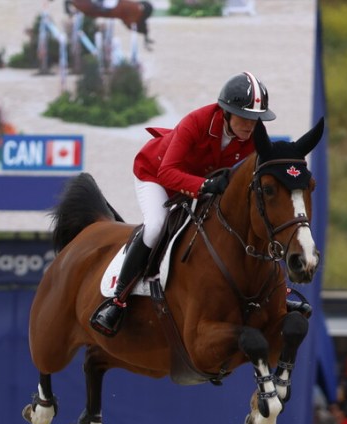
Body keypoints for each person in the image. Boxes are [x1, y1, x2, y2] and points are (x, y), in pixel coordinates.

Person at [90, 71, 275, 337]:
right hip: (155, 174)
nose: (250, 125)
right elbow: (167, 173)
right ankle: (118, 300)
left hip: (199, 184)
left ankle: (274, 291)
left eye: (256, 119)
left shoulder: (256, 135)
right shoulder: (196, 122)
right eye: (245, 118)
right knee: (156, 225)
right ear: (226, 112)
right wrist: (203, 187)